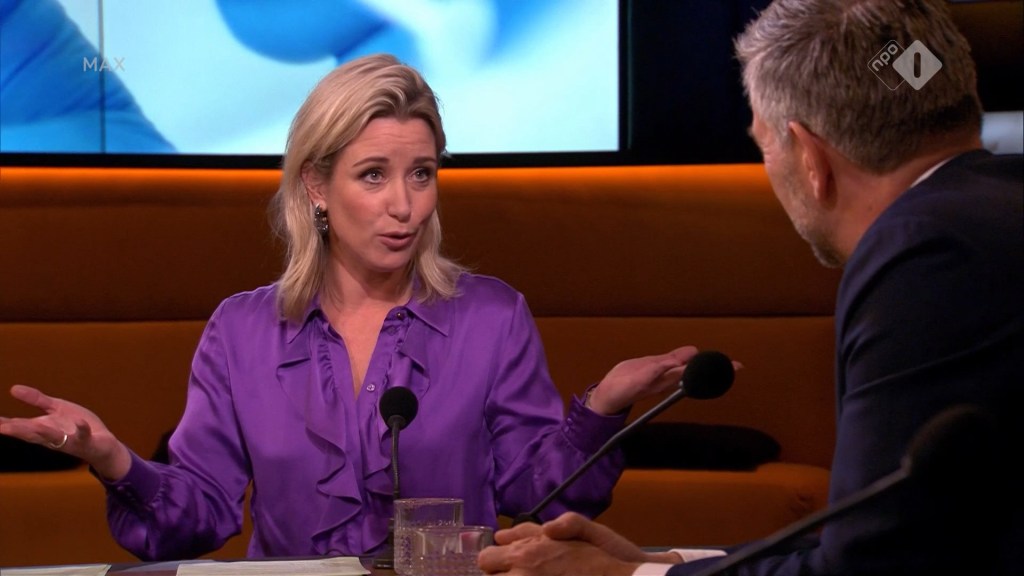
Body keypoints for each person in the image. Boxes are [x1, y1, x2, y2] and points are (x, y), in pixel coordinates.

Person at [0, 54, 701, 560]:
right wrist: (114, 460)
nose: (404, 205)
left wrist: (602, 408)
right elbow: (200, 513)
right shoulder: (242, 331)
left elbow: (539, 495)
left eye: (421, 174)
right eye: (373, 175)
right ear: (316, 185)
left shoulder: (492, 317)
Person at [477, 0, 1023, 574]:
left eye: (763, 145)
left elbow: (876, 564)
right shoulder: (992, 214)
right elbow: (920, 536)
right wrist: (664, 563)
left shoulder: (922, 253)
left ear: (809, 157)